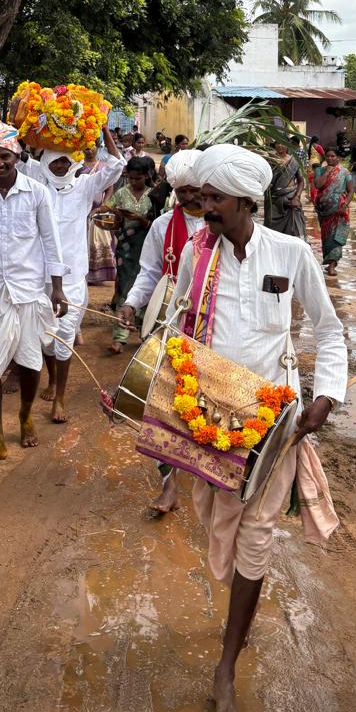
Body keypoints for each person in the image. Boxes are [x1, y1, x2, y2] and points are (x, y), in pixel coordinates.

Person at [166, 144, 346, 712]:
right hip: (212, 424)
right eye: (205, 196)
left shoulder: (291, 253)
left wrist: (326, 396)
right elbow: (179, 331)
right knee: (218, 523)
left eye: (216, 198)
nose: (206, 207)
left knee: (258, 533)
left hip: (275, 424)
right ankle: (231, 639)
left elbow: (329, 329)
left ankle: (226, 664)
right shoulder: (199, 257)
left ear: (246, 202)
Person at [0, 125, 68, 468]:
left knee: (30, 363)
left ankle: (25, 417)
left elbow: (51, 240)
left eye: (5, 157)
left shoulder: (37, 193)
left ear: (17, 157)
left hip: (28, 293)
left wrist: (57, 287)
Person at [116, 147, 205, 516]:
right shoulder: (162, 225)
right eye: (182, 192)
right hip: (168, 320)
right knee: (164, 403)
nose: (189, 198)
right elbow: (149, 272)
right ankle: (169, 482)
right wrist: (131, 303)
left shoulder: (228, 226)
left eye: (194, 190)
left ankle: (209, 476)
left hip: (212, 325)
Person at [30, 126, 124, 421]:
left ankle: (59, 397)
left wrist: (104, 129)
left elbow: (117, 165)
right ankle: (51, 379)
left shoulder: (84, 187)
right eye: (55, 161)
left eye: (65, 162)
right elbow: (18, 154)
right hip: (37, 274)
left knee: (66, 333)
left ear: (74, 163)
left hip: (72, 276)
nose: (60, 166)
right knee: (44, 336)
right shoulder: (35, 185)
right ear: (46, 162)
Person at [108, 157, 157, 354]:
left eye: (138, 178)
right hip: (126, 248)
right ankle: (119, 338)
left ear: (147, 176)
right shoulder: (121, 193)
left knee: (147, 287)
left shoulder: (155, 195)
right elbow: (109, 210)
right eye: (130, 178)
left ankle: (146, 334)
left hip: (148, 246)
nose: (133, 182)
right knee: (125, 288)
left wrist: (140, 220)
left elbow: (158, 224)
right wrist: (109, 214)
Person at [313, 147, 353, 275]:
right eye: (328, 156)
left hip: (338, 210)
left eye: (333, 156)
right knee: (326, 237)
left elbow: (351, 191)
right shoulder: (319, 170)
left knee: (335, 237)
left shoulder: (345, 172)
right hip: (323, 210)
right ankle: (328, 260)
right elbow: (318, 185)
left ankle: (332, 265)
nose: (330, 158)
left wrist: (344, 205)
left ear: (338, 158)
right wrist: (327, 173)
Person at [85, 146, 119, 290]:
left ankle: (97, 275)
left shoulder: (103, 167)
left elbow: (109, 189)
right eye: (86, 148)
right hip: (82, 210)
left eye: (92, 148)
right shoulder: (76, 166)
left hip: (97, 210)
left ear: (98, 149)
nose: (89, 151)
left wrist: (103, 206)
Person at [265, 140, 307, 238]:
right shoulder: (269, 160)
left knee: (293, 230)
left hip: (291, 198)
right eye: (277, 143)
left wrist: (297, 197)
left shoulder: (294, 161)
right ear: (274, 145)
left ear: (287, 145)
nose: (280, 145)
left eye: (282, 143)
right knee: (271, 231)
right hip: (273, 199)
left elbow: (301, 181)